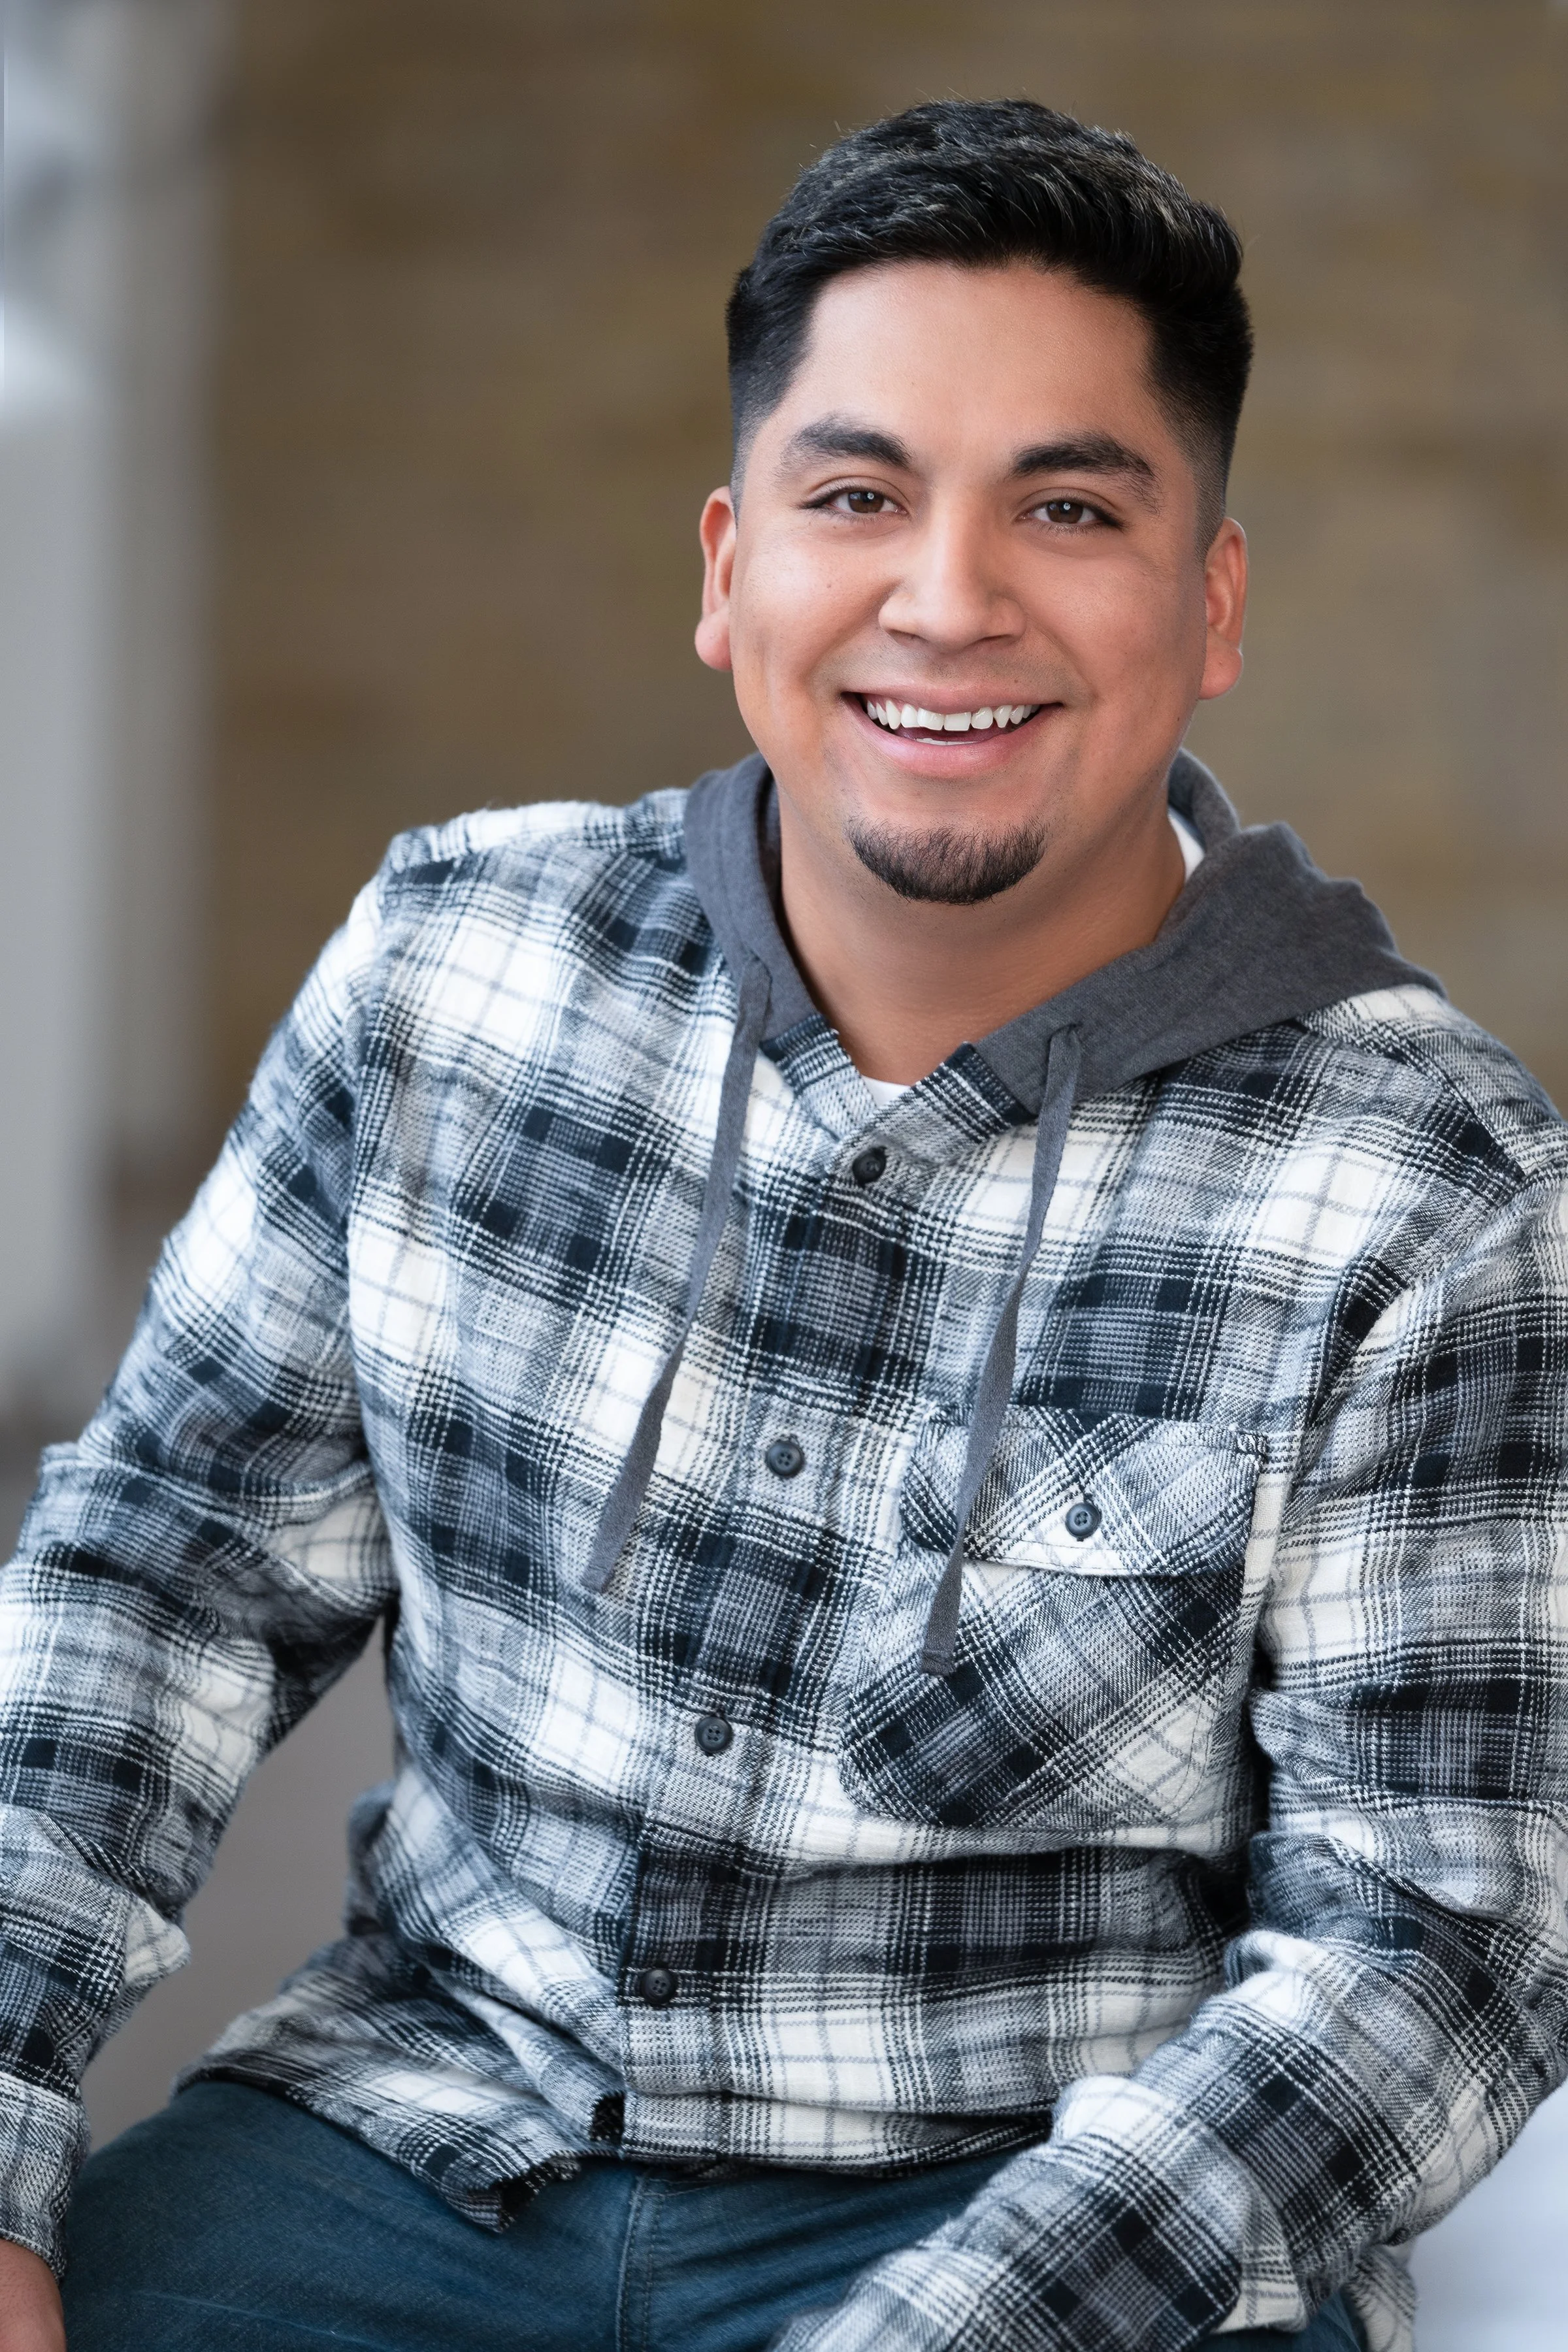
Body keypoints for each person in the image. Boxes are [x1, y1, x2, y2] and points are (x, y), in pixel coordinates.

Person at [0, 95, 1563, 2352]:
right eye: (859, 496)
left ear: (1211, 600)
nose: (948, 596)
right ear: (732, 566)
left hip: (1052, 2223)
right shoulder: (459, 964)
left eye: (1070, 505)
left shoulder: (1431, 1187)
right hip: (425, 2139)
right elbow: (164, 1573)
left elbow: (1436, 1941)